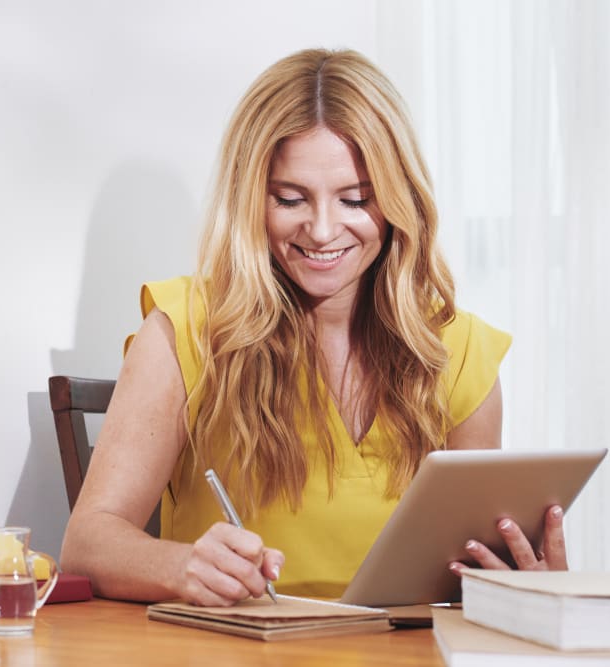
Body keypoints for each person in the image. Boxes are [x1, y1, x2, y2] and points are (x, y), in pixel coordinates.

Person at [59, 48, 567, 606]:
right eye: (290, 198)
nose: (323, 230)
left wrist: (522, 587)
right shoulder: (186, 331)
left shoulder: (460, 351)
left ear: (400, 201)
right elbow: (87, 542)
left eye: (355, 199)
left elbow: (470, 573)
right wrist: (181, 565)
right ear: (251, 198)